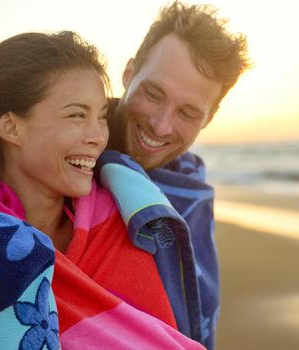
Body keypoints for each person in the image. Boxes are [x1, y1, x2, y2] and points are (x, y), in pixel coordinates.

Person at [0, 31, 203, 349]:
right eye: (77, 115)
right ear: (11, 127)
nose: (98, 136)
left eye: (102, 117)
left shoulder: (120, 225)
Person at [99, 1, 251, 348]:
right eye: (153, 94)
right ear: (128, 73)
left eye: (188, 112)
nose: (161, 125)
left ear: (209, 118)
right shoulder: (61, 154)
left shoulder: (190, 191)